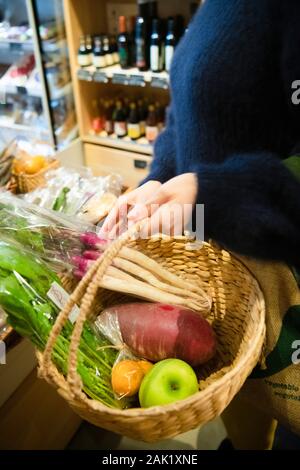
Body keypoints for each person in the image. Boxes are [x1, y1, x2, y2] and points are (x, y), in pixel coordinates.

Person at [101, 0, 300, 449]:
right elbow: (185, 117)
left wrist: (209, 191)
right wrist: (153, 184)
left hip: (281, 283)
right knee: (243, 397)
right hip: (225, 273)